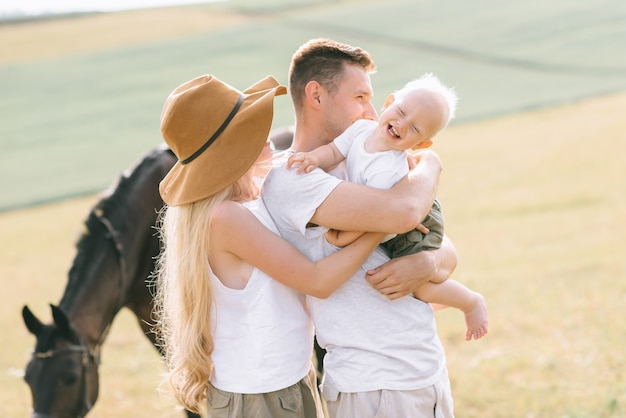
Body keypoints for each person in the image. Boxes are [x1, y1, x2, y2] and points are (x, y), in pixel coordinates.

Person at [153, 74, 387, 418]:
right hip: (262, 395)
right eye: (250, 128)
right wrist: (381, 225)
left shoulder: (250, 199)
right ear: (228, 150)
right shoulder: (226, 218)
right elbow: (317, 280)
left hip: (283, 381)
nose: (267, 133)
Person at [261, 38, 458, 417]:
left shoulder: (368, 160)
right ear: (316, 95)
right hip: (373, 382)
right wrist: (431, 164)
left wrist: (427, 265)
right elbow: (404, 213)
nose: (372, 111)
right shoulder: (290, 177)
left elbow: (443, 245)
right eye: (360, 97)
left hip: (423, 369)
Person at [286, 73, 488, 341]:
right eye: (401, 112)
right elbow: (335, 151)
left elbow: (376, 219)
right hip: (396, 214)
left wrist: (341, 236)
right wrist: (313, 158)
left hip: (413, 226)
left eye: (415, 129)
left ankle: (470, 302)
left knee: (423, 287)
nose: (402, 125)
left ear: (421, 144)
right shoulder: (360, 130)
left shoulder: (389, 170)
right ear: (389, 102)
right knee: (415, 284)